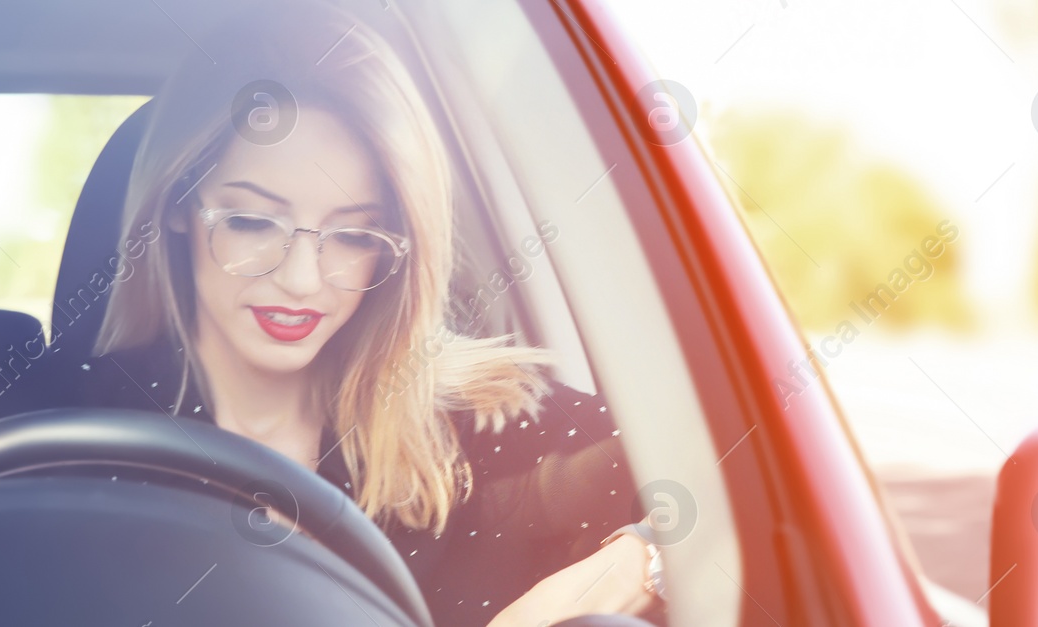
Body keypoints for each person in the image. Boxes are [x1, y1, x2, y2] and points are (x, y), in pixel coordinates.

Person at [72, 2, 666, 625]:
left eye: (355, 236)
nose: (303, 281)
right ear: (176, 205)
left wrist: (632, 563)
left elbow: (732, 471)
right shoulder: (58, 425)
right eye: (251, 221)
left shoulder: (474, 419)